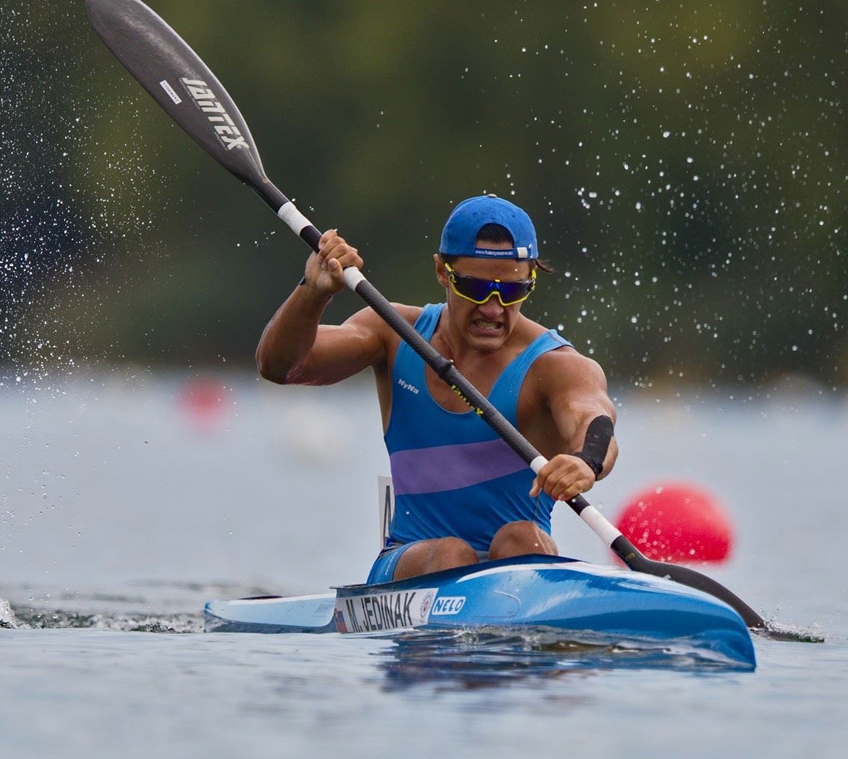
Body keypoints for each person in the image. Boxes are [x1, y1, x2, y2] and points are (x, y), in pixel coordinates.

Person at [256, 195, 617, 584]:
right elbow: (279, 367)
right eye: (476, 288)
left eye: (512, 291)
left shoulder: (555, 366)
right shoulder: (395, 333)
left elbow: (594, 417)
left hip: (518, 566)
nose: (493, 309)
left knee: (521, 538)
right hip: (410, 565)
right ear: (442, 272)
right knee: (451, 554)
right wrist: (313, 293)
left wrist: (585, 462)